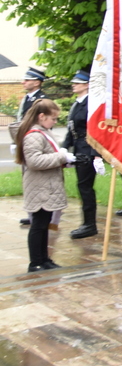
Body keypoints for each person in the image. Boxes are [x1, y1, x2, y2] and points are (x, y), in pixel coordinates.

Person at [15, 99, 75, 271]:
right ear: (41, 116)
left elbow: (48, 157)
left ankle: (44, 259)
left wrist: (66, 161)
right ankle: (35, 262)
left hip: (46, 184)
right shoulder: (34, 135)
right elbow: (34, 161)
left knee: (44, 223)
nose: (55, 122)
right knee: (39, 225)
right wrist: (62, 157)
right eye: (53, 118)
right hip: (40, 186)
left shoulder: (43, 132)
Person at [64, 70, 102, 240]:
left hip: (87, 149)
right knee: (82, 186)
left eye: (78, 82)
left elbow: (95, 130)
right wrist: (65, 148)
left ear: (87, 84)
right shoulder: (77, 104)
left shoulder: (90, 104)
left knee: (85, 187)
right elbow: (71, 129)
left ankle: (89, 224)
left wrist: (96, 154)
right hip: (78, 148)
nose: (74, 84)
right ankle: (87, 222)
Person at [15, 67, 48, 226]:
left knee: (36, 180)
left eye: (27, 80)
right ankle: (32, 211)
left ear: (36, 82)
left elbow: (44, 124)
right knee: (28, 179)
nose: (23, 82)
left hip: (35, 143)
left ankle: (39, 212)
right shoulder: (27, 99)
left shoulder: (41, 100)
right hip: (25, 142)